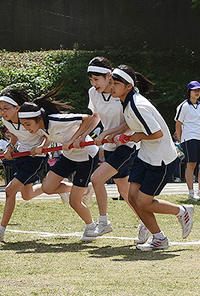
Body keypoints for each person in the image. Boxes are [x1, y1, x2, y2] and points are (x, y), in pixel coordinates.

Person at [110, 65, 194, 250]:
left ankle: (181, 211)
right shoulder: (127, 102)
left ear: (129, 86)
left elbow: (156, 133)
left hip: (161, 160)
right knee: (132, 198)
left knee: (143, 202)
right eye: (111, 83)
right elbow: (138, 127)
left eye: (116, 83)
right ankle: (159, 238)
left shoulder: (137, 105)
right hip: (146, 155)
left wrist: (138, 136)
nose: (112, 87)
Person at [0, 88, 72, 242]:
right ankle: (69, 187)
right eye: (0, 109)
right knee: (27, 195)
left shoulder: (31, 116)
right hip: (21, 155)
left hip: (36, 158)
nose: (2, 112)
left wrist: (42, 146)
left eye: (6, 108)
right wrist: (10, 146)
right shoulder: (7, 121)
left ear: (17, 108)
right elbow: (15, 132)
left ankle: (0, 231)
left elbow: (49, 132)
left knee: (10, 190)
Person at [18, 86, 102, 242]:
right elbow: (49, 134)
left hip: (86, 155)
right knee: (47, 187)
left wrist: (76, 138)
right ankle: (85, 189)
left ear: (38, 119)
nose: (26, 128)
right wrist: (43, 146)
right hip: (69, 156)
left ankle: (91, 227)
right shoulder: (40, 127)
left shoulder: (58, 120)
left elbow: (92, 118)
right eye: (23, 125)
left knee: (74, 202)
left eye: (27, 124)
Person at [84, 57, 147, 243]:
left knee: (96, 178)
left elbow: (131, 121)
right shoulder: (93, 93)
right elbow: (95, 117)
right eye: (91, 80)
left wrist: (110, 132)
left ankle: (103, 222)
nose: (93, 84)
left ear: (108, 76)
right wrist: (83, 136)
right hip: (110, 145)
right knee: (124, 190)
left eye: (97, 79)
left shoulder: (120, 93)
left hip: (127, 144)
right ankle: (145, 223)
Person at [175, 80, 200, 200]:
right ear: (189, 92)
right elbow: (178, 123)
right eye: (194, 90)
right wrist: (181, 140)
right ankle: (191, 192)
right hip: (188, 138)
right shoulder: (183, 106)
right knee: (191, 164)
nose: (197, 92)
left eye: (199, 90)